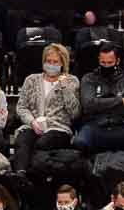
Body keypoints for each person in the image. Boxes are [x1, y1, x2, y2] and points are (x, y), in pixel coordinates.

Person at [73, 42, 124, 166]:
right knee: (79, 143)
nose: (106, 66)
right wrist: (118, 100)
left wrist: (101, 103)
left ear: (117, 61)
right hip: (95, 126)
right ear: (98, 60)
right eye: (103, 63)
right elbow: (88, 105)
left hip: (123, 125)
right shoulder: (89, 79)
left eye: (110, 63)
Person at [11, 42, 78, 172]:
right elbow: (21, 107)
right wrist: (32, 121)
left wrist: (65, 89)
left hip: (58, 128)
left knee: (42, 143)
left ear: (62, 63)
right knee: (22, 140)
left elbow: (74, 112)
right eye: (48, 61)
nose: (51, 65)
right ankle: (20, 175)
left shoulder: (72, 81)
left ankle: (33, 176)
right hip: (33, 125)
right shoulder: (31, 80)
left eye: (55, 62)